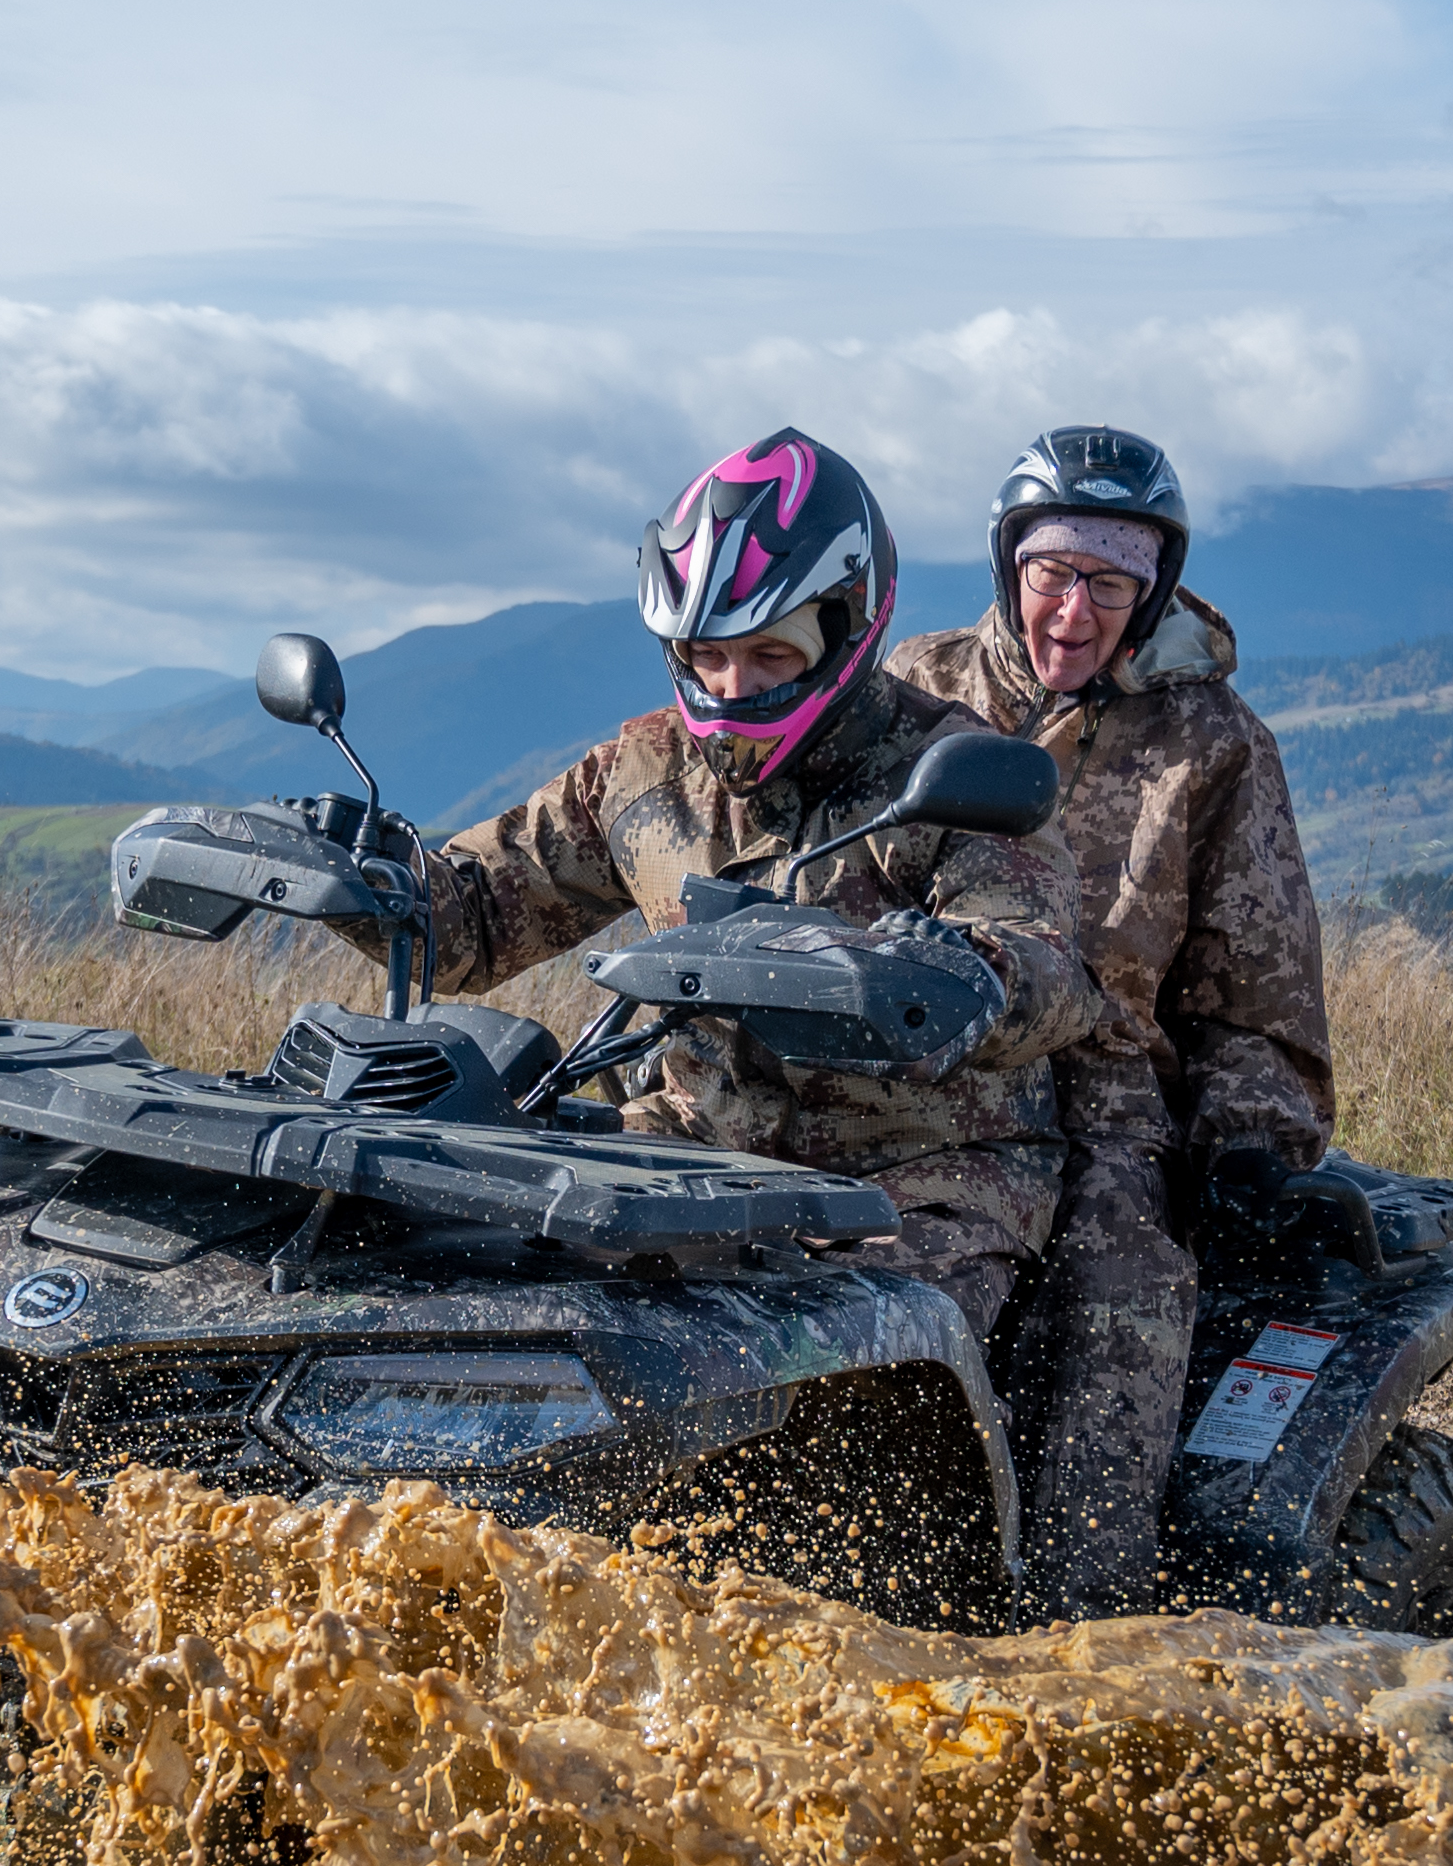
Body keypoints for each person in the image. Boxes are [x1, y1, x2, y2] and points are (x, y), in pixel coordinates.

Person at [420, 429, 1103, 1348]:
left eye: (771, 656)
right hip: (691, 1147)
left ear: (845, 630)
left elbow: (1043, 965)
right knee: (488, 1297)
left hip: (920, 1175)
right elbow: (471, 916)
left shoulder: (951, 773)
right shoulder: (644, 769)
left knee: (843, 1362)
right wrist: (368, 872)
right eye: (707, 654)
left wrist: (954, 977)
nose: (732, 687)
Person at [900, 424, 1335, 1617]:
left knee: (1121, 1305)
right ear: (1009, 569)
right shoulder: (915, 696)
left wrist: (1250, 1138)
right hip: (916, 1071)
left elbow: (1259, 986)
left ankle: (1086, 1632)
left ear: (1151, 590)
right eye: (1052, 575)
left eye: (1108, 582)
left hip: (1104, 1095)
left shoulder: (1213, 743)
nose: (1073, 611)